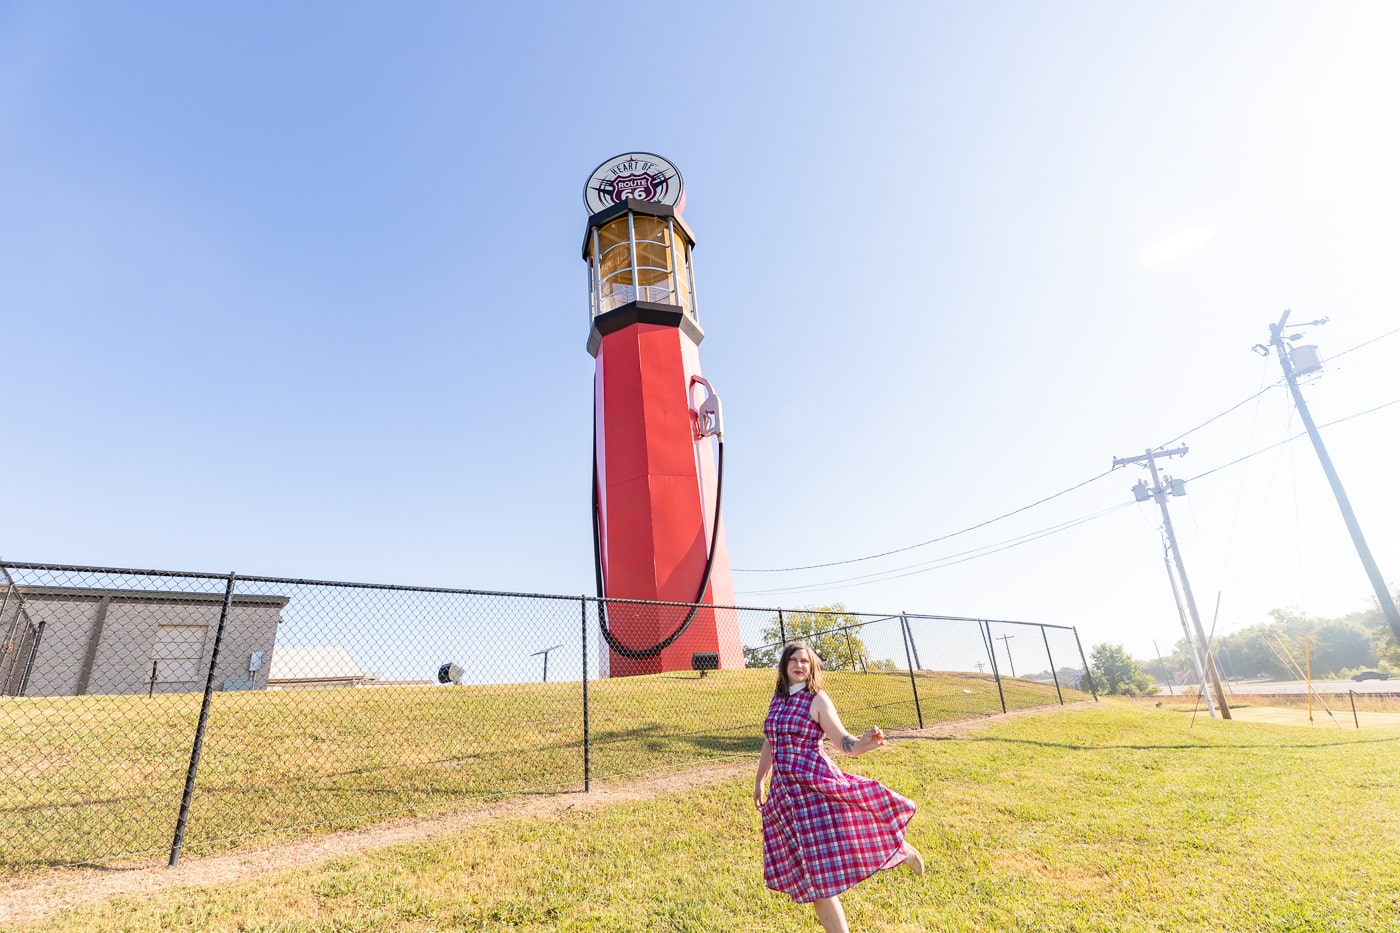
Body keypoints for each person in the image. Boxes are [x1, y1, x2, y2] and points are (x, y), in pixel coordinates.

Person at [754, 641, 924, 933]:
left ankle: (897, 847)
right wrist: (760, 779)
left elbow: (842, 740)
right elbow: (772, 740)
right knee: (812, 875)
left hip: (816, 788)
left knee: (834, 852)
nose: (799, 665)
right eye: (793, 660)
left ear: (812, 667)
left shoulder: (817, 699)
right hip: (786, 797)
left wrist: (862, 744)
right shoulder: (778, 699)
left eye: (805, 661)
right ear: (784, 665)